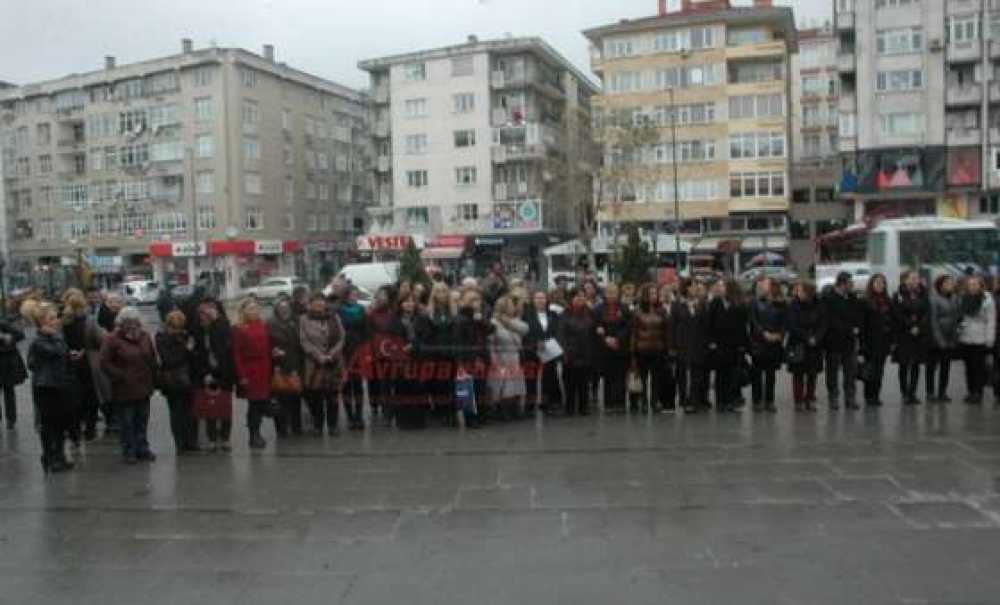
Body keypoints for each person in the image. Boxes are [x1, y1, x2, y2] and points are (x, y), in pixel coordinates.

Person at [99, 307, 157, 464]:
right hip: (124, 388)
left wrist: (154, 377)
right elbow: (104, 362)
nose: (132, 325)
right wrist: (120, 376)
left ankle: (142, 448)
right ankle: (129, 451)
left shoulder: (145, 336)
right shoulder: (112, 339)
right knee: (127, 422)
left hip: (144, 386)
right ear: (121, 322)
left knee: (142, 420)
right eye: (128, 322)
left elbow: (151, 357)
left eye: (135, 321)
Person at [26, 301, 74, 472]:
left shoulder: (57, 337)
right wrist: (55, 339)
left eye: (55, 318)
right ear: (43, 322)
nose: (56, 321)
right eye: (51, 319)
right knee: (48, 424)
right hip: (45, 387)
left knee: (61, 422)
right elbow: (56, 352)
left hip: (59, 384)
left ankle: (60, 455)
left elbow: (64, 354)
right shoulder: (39, 341)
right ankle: (50, 456)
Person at [191, 299, 237, 452]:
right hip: (205, 373)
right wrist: (205, 373)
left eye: (209, 311)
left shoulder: (222, 325)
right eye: (202, 312)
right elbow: (194, 353)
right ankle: (211, 438)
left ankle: (225, 438)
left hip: (224, 372)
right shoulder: (197, 329)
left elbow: (225, 348)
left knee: (224, 408)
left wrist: (216, 319)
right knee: (209, 408)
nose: (205, 315)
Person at [300, 295, 344, 435]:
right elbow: (303, 340)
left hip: (333, 361)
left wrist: (332, 354)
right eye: (315, 302)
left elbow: (342, 337)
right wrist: (319, 356)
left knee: (332, 396)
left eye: (321, 302)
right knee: (315, 397)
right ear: (310, 304)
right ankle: (318, 425)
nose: (319, 304)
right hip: (314, 363)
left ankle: (333, 425)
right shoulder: (304, 319)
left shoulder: (334, 317)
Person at [155, 310, 199, 454]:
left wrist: (190, 351)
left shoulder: (185, 336)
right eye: (174, 327)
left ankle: (191, 442)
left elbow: (193, 358)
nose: (177, 331)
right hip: (172, 381)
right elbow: (169, 360)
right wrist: (186, 350)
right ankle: (180, 444)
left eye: (179, 327)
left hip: (188, 379)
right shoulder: (161, 338)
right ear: (168, 325)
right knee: (176, 413)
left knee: (190, 412)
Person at [60, 289, 100, 442]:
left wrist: (69, 352)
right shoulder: (88, 321)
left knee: (74, 400)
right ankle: (90, 429)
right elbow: (99, 340)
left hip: (69, 364)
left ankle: (74, 432)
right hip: (87, 363)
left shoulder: (63, 322)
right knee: (91, 398)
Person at [232, 298, 273, 449]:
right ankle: (254, 434)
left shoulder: (262, 325)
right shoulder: (239, 328)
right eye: (250, 309)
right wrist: (241, 376)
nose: (254, 311)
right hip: (250, 370)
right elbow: (236, 354)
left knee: (262, 401)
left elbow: (267, 345)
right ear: (243, 311)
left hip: (265, 367)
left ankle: (257, 431)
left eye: (256, 308)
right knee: (254, 404)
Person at [822, 271, 864, 410]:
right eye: (850, 283)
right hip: (833, 341)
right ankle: (833, 397)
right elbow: (829, 319)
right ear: (842, 284)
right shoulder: (828, 298)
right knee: (832, 372)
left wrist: (856, 327)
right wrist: (848, 328)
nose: (852, 285)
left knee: (850, 372)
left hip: (849, 342)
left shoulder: (853, 298)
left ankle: (850, 397)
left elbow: (858, 315)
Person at [452, 287, 493, 426]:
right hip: (469, 360)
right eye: (471, 300)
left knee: (481, 387)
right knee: (469, 389)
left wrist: (480, 320)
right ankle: (471, 418)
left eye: (477, 299)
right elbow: (460, 343)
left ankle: (481, 415)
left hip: (482, 357)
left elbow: (491, 330)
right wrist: (471, 359)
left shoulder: (478, 317)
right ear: (463, 302)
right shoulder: (460, 319)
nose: (475, 303)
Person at [707, 280, 749, 413]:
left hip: (734, 346)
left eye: (722, 286)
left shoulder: (740, 305)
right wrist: (711, 341)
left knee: (733, 374)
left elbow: (743, 327)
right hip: (719, 345)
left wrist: (743, 345)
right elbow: (709, 323)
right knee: (720, 374)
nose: (719, 288)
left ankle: (731, 400)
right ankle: (720, 402)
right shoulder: (715, 303)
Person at [418, 283, 457, 425]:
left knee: (450, 385)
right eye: (438, 291)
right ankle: (439, 411)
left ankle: (451, 413)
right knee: (436, 384)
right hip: (434, 355)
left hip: (450, 354)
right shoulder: (427, 314)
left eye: (444, 291)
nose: (441, 294)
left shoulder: (453, 313)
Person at [631, 284, 671, 413]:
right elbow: (634, 332)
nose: (654, 296)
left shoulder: (662, 311)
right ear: (645, 296)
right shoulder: (638, 311)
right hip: (642, 348)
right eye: (651, 293)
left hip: (658, 348)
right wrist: (633, 350)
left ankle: (654, 402)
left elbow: (666, 331)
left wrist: (667, 347)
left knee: (656, 378)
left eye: (655, 293)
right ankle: (643, 401)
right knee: (642, 377)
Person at [892, 271, 931, 405]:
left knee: (916, 364)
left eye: (917, 278)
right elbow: (897, 313)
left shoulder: (923, 294)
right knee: (904, 364)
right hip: (904, 334)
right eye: (912, 278)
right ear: (905, 280)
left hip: (919, 335)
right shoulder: (898, 295)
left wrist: (919, 326)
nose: (915, 281)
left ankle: (912, 393)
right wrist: (910, 326)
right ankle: (904, 393)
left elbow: (927, 312)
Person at [787, 282, 826, 412]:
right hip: (798, 344)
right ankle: (798, 401)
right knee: (798, 374)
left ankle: (810, 399)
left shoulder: (819, 305)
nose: (798, 293)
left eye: (801, 291)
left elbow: (823, 324)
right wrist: (807, 337)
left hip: (815, 345)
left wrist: (816, 337)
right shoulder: (793, 305)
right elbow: (792, 325)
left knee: (812, 374)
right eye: (797, 290)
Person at [488, 295, 529, 420]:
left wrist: (508, 322)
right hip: (501, 357)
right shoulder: (493, 323)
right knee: (503, 386)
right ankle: (501, 411)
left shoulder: (515, 321)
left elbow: (525, 329)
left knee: (515, 385)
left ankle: (515, 410)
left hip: (514, 357)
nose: (514, 307)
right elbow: (490, 343)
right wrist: (493, 359)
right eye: (511, 305)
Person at [557, 289, 597, 416]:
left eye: (582, 296)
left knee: (584, 383)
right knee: (569, 383)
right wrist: (564, 353)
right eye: (577, 296)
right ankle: (569, 408)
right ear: (572, 299)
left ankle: (584, 407)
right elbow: (561, 335)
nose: (580, 299)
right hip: (570, 354)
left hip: (586, 353)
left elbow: (594, 331)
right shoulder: (565, 314)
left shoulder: (589, 313)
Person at [749, 278, 786, 413]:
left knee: (771, 375)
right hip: (758, 343)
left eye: (765, 285)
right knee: (756, 374)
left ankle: (770, 401)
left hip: (774, 344)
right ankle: (757, 401)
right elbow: (753, 322)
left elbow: (784, 322)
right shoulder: (754, 302)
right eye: (760, 285)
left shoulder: (780, 303)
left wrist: (779, 335)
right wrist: (764, 333)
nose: (762, 287)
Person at [269, 299, 305, 436]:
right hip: (278, 364)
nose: (284, 310)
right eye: (281, 307)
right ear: (276, 309)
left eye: (286, 307)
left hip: (295, 362)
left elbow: (302, 341)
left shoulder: (296, 322)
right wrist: (273, 351)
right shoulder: (271, 324)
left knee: (295, 396)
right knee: (280, 396)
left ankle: (297, 426)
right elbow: (268, 343)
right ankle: (281, 428)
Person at [958, 275, 995, 405]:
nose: (972, 286)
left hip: (980, 338)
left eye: (975, 284)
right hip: (966, 337)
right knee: (968, 367)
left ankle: (978, 393)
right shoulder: (963, 298)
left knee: (978, 367)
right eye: (970, 284)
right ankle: (970, 391)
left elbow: (991, 321)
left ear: (981, 285)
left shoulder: (987, 299)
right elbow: (961, 316)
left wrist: (989, 340)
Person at [523, 290, 562, 414]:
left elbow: (558, 331)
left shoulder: (553, 314)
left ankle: (547, 404)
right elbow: (525, 333)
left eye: (542, 298)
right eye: (537, 298)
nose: (540, 300)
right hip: (532, 350)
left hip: (549, 350)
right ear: (533, 300)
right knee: (531, 379)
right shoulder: (526, 315)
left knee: (549, 377)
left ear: (547, 300)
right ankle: (530, 406)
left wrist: (550, 343)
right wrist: (535, 343)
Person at [674, 280, 710, 414]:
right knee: (682, 374)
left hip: (698, 344)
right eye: (692, 286)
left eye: (696, 287)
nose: (695, 289)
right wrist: (673, 346)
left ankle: (694, 401)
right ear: (686, 289)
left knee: (697, 374)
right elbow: (673, 326)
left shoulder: (702, 305)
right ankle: (684, 399)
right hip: (682, 344)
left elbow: (706, 325)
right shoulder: (678, 305)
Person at [390, 292, 425, 428]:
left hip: (417, 357)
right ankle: (403, 420)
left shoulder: (421, 318)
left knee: (418, 389)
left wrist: (414, 345)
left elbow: (425, 335)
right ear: (400, 304)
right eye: (405, 301)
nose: (409, 304)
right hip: (401, 359)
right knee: (402, 388)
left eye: (411, 301)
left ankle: (418, 420)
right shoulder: (395, 319)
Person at [594, 283, 631, 412]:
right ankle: (608, 404)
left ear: (618, 293)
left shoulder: (624, 308)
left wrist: (617, 339)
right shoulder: (598, 309)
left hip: (620, 347)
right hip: (604, 348)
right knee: (608, 377)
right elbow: (596, 325)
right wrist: (605, 338)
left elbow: (628, 326)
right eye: (608, 292)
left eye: (614, 292)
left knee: (620, 376)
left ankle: (620, 403)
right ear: (605, 294)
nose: (611, 295)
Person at [337, 286, 368, 431]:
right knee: (346, 385)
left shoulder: (361, 310)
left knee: (358, 385)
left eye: (356, 294)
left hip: (359, 351)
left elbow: (366, 330)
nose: (353, 297)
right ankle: (350, 416)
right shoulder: (339, 310)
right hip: (344, 351)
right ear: (346, 296)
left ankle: (359, 415)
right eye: (351, 294)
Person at [860, 274, 894, 408]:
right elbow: (862, 324)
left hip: (883, 342)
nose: (880, 285)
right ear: (872, 284)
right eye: (877, 282)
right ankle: (869, 396)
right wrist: (862, 345)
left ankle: (876, 396)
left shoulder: (888, 301)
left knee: (880, 371)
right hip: (870, 341)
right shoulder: (865, 301)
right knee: (870, 370)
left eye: (882, 283)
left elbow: (891, 320)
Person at [928, 275, 961, 403]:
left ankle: (942, 392)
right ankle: (930, 392)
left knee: (945, 367)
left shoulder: (955, 298)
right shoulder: (934, 299)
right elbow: (933, 321)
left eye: (951, 283)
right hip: (936, 338)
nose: (950, 285)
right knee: (932, 367)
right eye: (947, 283)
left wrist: (955, 337)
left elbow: (957, 317)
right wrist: (939, 339)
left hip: (950, 337)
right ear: (940, 285)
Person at [0, 313, 27, 430]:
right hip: (6, 363)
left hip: (7, 363)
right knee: (8, 390)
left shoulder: (3, 323)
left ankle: (11, 419)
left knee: (8, 390)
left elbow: (20, 335)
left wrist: (7, 337)